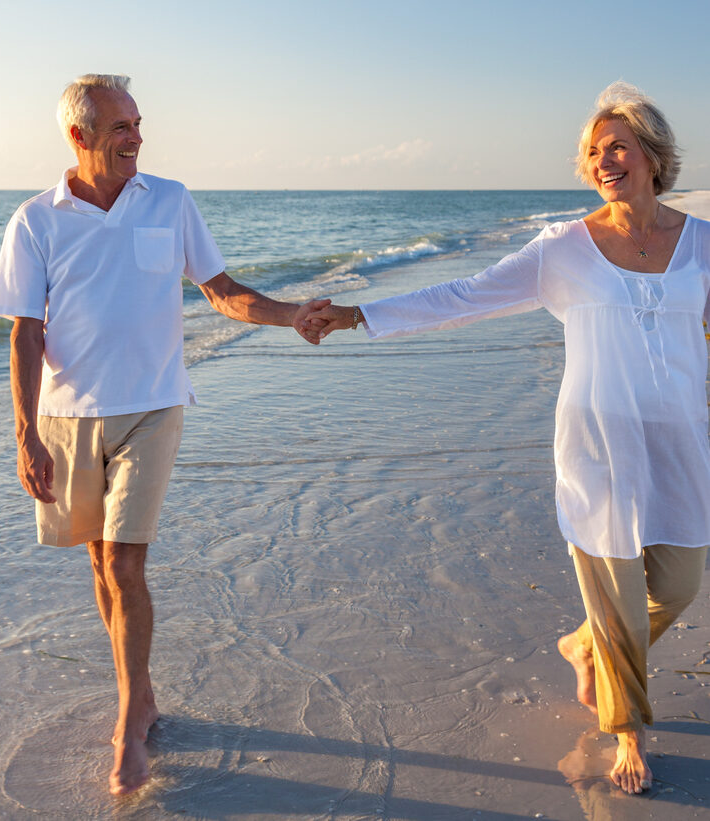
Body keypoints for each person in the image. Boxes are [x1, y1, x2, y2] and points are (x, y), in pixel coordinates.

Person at [302, 82, 710, 796]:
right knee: (614, 591)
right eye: (591, 152)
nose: (602, 161)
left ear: (651, 153)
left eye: (616, 146)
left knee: (677, 582)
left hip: (679, 441)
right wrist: (358, 314)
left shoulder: (702, 243)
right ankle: (626, 732)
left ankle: (583, 645)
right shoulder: (565, 248)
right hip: (598, 444)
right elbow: (464, 295)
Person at [0, 73, 327, 796]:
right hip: (65, 416)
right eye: (120, 128)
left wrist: (291, 312)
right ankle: (137, 687)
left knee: (127, 565)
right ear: (79, 137)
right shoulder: (35, 220)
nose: (136, 137)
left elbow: (220, 290)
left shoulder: (168, 200)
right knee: (98, 565)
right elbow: (24, 333)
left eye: (138, 123)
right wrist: (25, 433)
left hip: (153, 406)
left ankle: (128, 716)